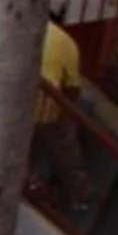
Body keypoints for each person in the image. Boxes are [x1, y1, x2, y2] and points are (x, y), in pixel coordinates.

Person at [36, 19, 95, 208]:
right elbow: (73, 88)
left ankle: (33, 179)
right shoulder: (66, 42)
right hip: (47, 108)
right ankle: (81, 194)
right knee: (65, 142)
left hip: (15, 105)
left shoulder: (24, 28)